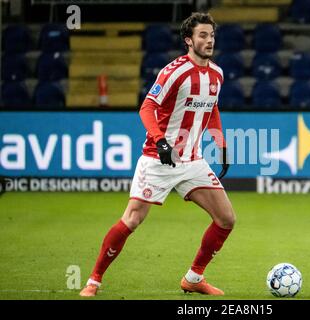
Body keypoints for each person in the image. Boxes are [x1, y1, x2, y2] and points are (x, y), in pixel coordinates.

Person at [80, 12, 235, 297]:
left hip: (192, 161)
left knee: (226, 219)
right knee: (133, 219)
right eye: (203, 35)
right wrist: (160, 141)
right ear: (189, 40)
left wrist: (220, 142)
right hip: (158, 158)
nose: (209, 40)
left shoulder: (217, 74)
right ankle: (94, 280)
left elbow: (210, 108)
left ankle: (193, 278)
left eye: (211, 35)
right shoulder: (174, 71)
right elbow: (147, 107)